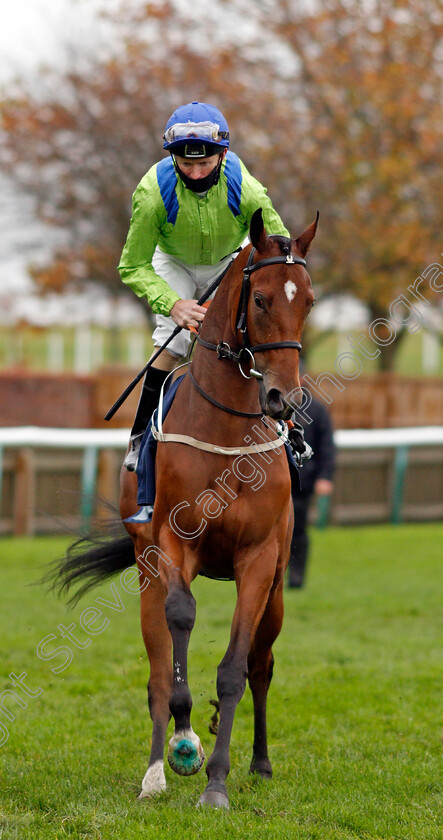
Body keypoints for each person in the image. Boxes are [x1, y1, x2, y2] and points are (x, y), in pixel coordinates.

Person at [118, 101, 290, 471]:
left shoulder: (249, 192)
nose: (195, 173)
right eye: (186, 163)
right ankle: (140, 437)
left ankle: (285, 427)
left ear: (223, 154)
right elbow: (132, 265)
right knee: (176, 339)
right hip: (173, 262)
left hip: (229, 258)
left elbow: (280, 250)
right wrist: (171, 303)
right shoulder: (151, 194)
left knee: (252, 330)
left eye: (205, 163)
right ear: (173, 157)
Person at [288, 366, 336, 588]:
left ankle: (296, 577)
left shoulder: (316, 410)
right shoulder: (272, 405)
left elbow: (326, 447)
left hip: (302, 483)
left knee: (297, 530)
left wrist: (324, 477)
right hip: (273, 482)